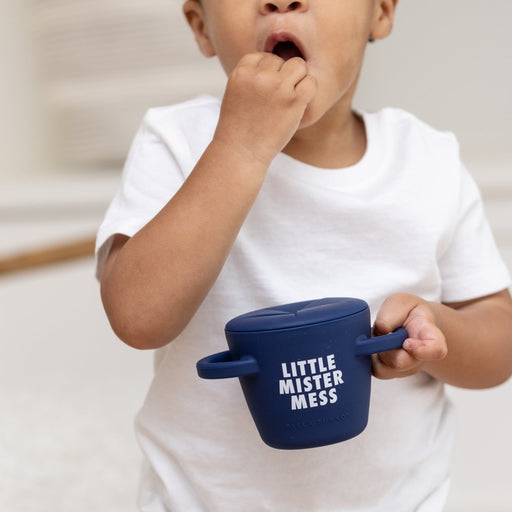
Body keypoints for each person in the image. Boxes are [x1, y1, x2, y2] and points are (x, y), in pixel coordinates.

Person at [95, 0, 512, 510]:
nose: (281, 1)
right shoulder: (176, 139)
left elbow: (500, 343)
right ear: (202, 27)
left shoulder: (428, 160)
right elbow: (137, 318)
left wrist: (439, 328)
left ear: (381, 13)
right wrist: (240, 148)